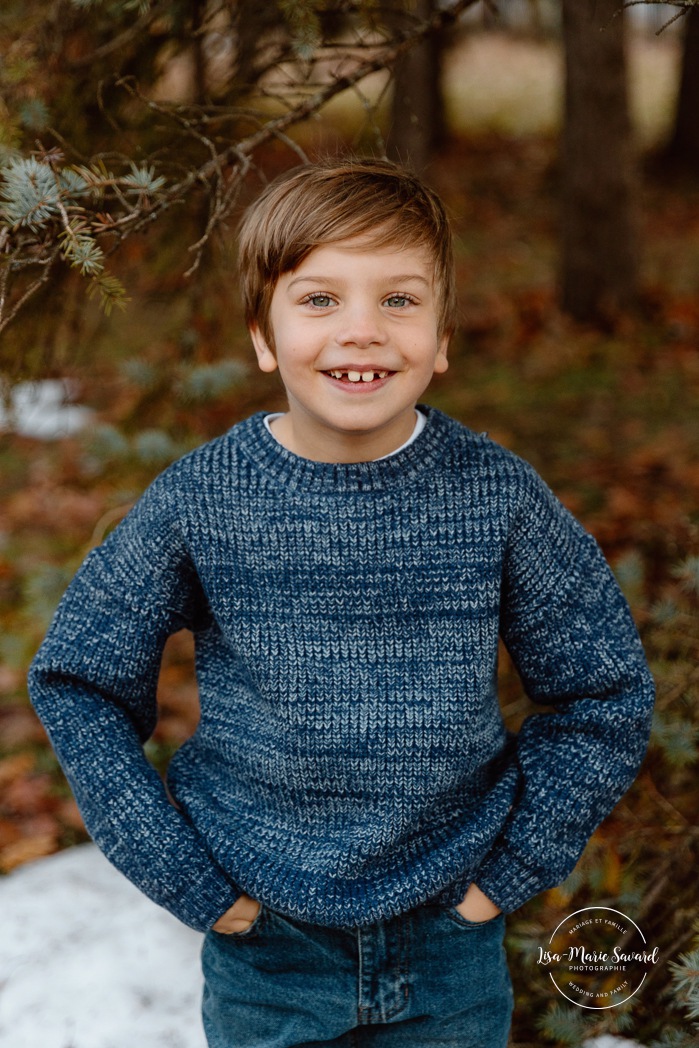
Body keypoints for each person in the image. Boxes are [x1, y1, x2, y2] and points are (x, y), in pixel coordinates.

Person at [29, 158, 655, 1047]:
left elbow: (601, 691)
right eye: (319, 300)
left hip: (449, 942)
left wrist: (509, 870)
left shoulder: (498, 498)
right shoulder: (203, 499)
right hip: (268, 948)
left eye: (398, 301)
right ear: (262, 335)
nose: (360, 332)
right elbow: (79, 679)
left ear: (440, 337)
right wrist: (193, 883)